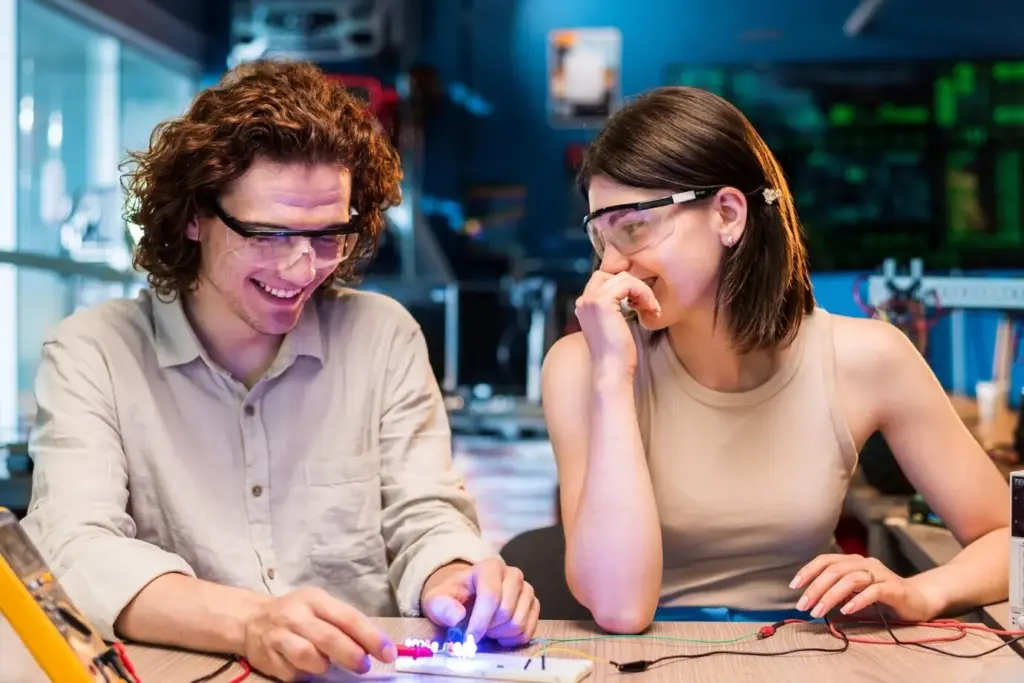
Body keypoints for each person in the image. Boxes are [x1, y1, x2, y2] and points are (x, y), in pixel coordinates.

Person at [20, 60, 538, 680]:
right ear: (193, 216)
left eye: (328, 236)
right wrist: (251, 621)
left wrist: (454, 580)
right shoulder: (94, 352)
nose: (301, 269)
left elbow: (426, 515)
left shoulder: (382, 337)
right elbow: (73, 552)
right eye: (268, 235)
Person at [541, 86, 1010, 634]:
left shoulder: (868, 357)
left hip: (807, 651)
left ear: (727, 214)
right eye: (601, 238)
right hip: (647, 655)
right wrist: (613, 379)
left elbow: (1007, 539)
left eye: (633, 228)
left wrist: (923, 592)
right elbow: (620, 609)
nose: (611, 266)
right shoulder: (581, 367)